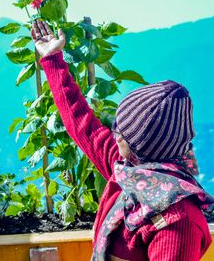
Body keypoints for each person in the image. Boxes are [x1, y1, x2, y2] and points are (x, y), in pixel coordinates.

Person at [31, 20, 214, 261]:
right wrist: (53, 59)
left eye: (122, 133)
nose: (114, 133)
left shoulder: (178, 222)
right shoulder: (129, 172)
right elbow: (80, 123)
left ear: (142, 148)